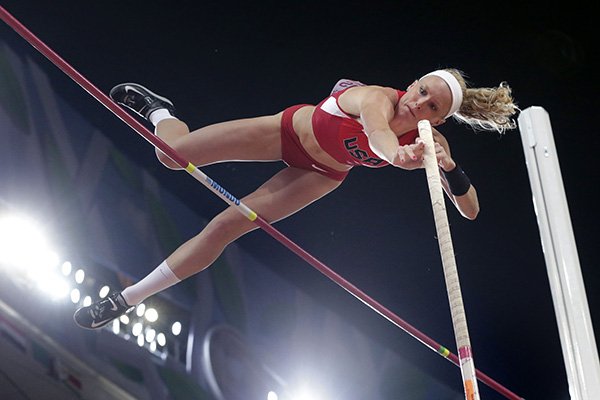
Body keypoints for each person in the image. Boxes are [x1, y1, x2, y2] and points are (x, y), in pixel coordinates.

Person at [74, 69, 517, 329]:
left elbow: (470, 208)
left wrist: (446, 167)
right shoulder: (377, 98)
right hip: (288, 132)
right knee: (172, 156)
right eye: (422, 92)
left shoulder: (430, 139)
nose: (420, 106)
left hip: (321, 174)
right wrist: (398, 153)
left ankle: (127, 299)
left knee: (226, 227)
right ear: (413, 82)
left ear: (442, 118)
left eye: (433, 108)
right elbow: (380, 136)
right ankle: (160, 111)